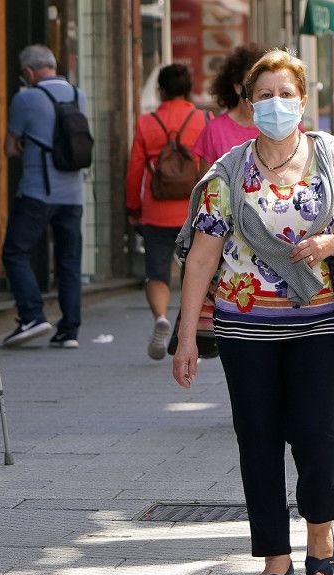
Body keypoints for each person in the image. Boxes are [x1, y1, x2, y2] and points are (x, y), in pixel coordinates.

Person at [172, 49, 334, 575]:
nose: (275, 104)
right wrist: (189, 333)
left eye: (286, 94)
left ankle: (320, 530)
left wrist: (332, 242)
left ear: (303, 101)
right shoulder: (228, 172)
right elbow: (201, 256)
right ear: (248, 103)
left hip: (321, 321)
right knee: (257, 438)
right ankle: (273, 557)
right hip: (245, 327)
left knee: (314, 432)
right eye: (264, 95)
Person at [1, 45, 89, 349]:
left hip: (38, 192)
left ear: (27, 72)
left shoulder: (25, 97)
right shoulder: (80, 95)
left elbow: (10, 148)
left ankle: (31, 315)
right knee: (68, 261)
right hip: (74, 195)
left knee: (15, 252)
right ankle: (70, 331)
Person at [125, 64, 209, 360]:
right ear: (188, 89)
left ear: (160, 90)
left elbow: (135, 170)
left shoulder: (147, 123)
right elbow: (211, 166)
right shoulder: (202, 119)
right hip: (194, 210)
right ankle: (183, 331)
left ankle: (160, 317)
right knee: (194, 272)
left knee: (156, 272)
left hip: (156, 209)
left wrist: (133, 207)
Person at [192, 44, 266, 165]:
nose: (258, 88)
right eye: (251, 82)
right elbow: (206, 181)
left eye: (262, 82)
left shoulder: (284, 125)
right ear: (237, 87)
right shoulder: (215, 130)